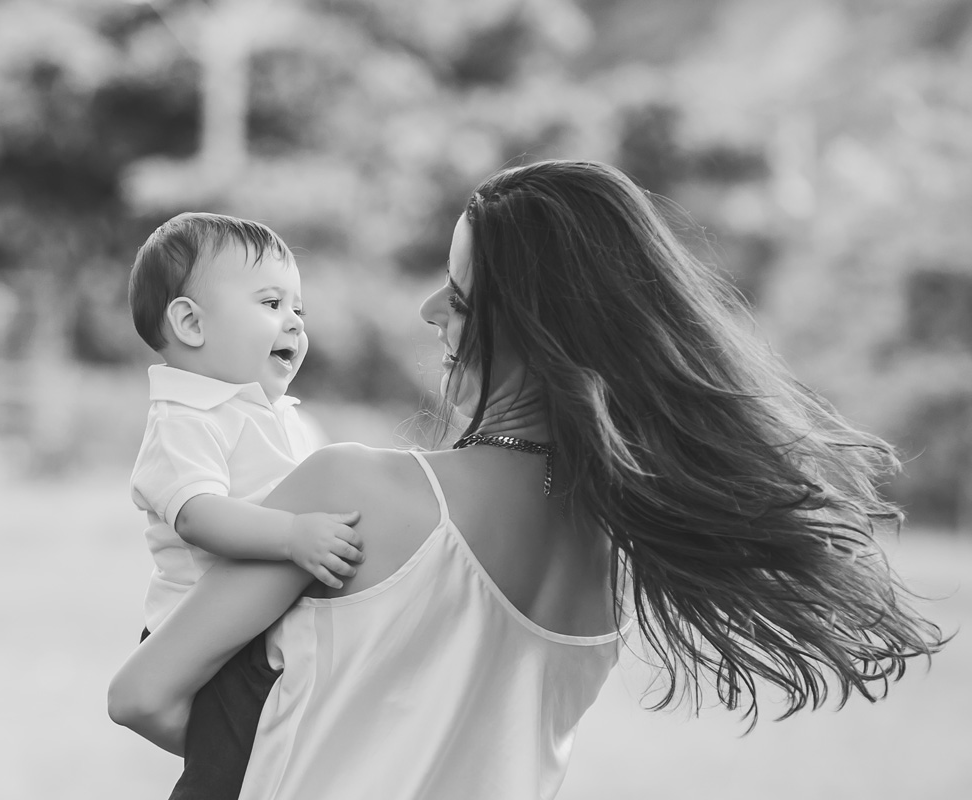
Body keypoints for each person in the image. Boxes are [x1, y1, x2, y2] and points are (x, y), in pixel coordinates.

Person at [109, 161, 947, 799]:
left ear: (533, 326)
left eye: (462, 296)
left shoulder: (350, 490)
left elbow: (143, 696)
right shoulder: (613, 569)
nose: (431, 311)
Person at [126, 212, 364, 640]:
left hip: (261, 622)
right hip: (196, 640)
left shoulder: (281, 414)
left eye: (298, 307)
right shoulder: (184, 418)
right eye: (272, 304)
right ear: (192, 323)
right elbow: (199, 517)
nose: (295, 321)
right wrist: (292, 535)